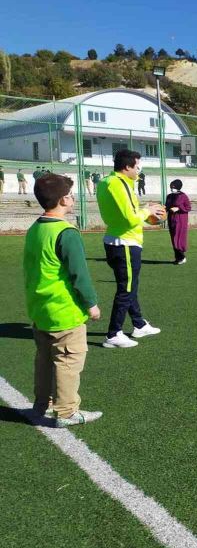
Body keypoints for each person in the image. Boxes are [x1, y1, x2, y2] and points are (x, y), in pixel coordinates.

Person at [23, 173, 103, 427]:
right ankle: (67, 411)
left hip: (41, 308)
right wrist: (91, 304)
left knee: (44, 360)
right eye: (70, 194)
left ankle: (41, 405)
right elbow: (79, 274)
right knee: (68, 361)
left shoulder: (36, 227)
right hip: (64, 311)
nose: (73, 198)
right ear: (63, 199)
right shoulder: (66, 232)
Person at [96, 150, 165, 348]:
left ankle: (139, 324)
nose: (138, 170)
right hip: (124, 243)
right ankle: (113, 333)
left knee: (130, 286)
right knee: (125, 289)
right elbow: (131, 218)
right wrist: (148, 211)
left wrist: (145, 211)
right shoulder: (118, 183)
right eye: (137, 167)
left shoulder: (108, 181)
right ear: (127, 167)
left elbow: (127, 213)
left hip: (120, 240)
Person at [165, 179, 192, 264]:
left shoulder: (183, 196)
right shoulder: (169, 196)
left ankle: (182, 257)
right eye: (171, 186)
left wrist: (178, 208)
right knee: (173, 238)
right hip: (171, 219)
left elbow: (188, 207)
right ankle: (178, 258)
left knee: (179, 238)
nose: (172, 188)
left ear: (178, 187)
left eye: (173, 186)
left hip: (181, 220)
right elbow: (166, 207)